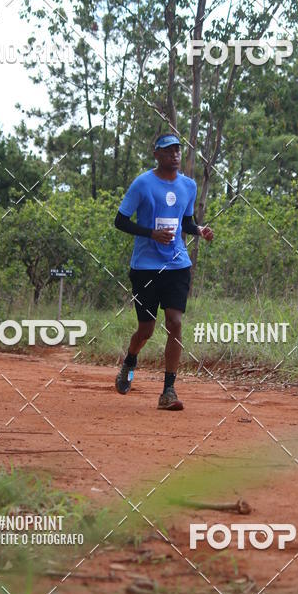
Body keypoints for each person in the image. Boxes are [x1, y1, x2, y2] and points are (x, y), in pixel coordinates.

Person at [114, 133, 214, 410]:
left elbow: (186, 222)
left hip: (177, 265)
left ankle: (168, 390)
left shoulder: (188, 185)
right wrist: (151, 234)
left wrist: (199, 230)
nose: (175, 155)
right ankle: (130, 361)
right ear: (156, 154)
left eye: (177, 150)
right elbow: (120, 221)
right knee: (146, 330)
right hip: (145, 267)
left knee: (175, 322)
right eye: (168, 151)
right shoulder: (142, 184)